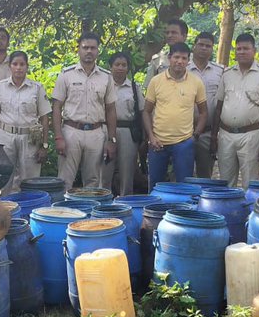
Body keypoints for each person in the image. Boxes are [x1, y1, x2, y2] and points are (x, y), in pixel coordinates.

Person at [212, 33, 259, 187]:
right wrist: (213, 137)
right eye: (238, 49)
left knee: (250, 183)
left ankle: (249, 210)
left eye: (246, 48)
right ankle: (227, 211)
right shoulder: (227, 74)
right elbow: (219, 107)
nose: (242, 52)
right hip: (225, 135)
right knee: (225, 183)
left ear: (254, 50)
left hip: (251, 135)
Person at [52, 32, 119, 188]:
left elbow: (111, 109)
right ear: (78, 50)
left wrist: (111, 139)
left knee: (93, 180)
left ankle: (89, 211)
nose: (89, 51)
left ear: (98, 51)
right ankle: (62, 211)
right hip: (71, 131)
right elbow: (56, 107)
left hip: (96, 133)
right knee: (65, 180)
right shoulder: (66, 75)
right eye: (85, 47)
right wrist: (58, 137)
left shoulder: (106, 77)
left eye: (93, 48)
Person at [0, 51, 52, 193]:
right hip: (5, 137)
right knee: (4, 178)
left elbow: (45, 118)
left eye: (22, 64)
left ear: (27, 67)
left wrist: (44, 145)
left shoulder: (36, 88)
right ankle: (4, 208)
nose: (18, 68)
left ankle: (28, 209)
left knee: (30, 180)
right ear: (10, 66)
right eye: (15, 64)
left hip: (29, 138)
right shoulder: (0, 87)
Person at [144, 42, 207, 185]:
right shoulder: (156, 81)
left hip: (184, 143)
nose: (180, 61)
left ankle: (182, 208)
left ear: (188, 61)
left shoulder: (196, 82)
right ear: (169, 57)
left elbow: (204, 112)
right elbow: (146, 111)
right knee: (155, 184)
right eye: (176, 57)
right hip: (158, 142)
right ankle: (154, 208)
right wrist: (151, 137)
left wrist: (195, 136)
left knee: (184, 185)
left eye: (184, 58)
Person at [101, 52, 144, 195]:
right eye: (117, 65)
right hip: (106, 130)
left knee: (127, 171)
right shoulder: (103, 85)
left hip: (127, 132)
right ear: (110, 67)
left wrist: (143, 137)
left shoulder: (134, 87)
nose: (120, 68)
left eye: (124, 65)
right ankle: (103, 202)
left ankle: (126, 202)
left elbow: (142, 112)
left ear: (128, 68)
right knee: (104, 170)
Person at [188, 31, 225, 178]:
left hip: (208, 134)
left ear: (212, 49)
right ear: (194, 46)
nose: (204, 48)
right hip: (184, 132)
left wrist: (215, 135)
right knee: (182, 175)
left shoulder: (220, 71)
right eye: (201, 44)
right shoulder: (182, 69)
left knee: (205, 176)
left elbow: (221, 103)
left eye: (208, 46)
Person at [143, 18, 189, 87]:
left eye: (174, 32)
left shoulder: (194, 59)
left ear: (184, 36)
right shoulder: (157, 60)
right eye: (167, 33)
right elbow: (149, 87)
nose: (169, 35)